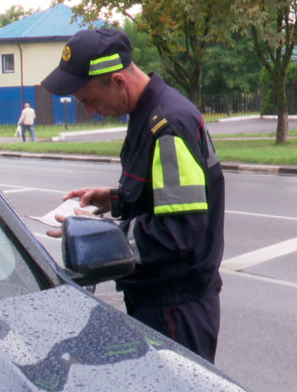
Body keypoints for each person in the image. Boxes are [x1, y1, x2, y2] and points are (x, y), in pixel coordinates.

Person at [42, 28, 225, 363]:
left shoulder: (167, 125)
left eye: (89, 100)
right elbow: (163, 197)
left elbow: (179, 234)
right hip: (161, 300)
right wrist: (112, 198)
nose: (89, 112)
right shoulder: (149, 114)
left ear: (118, 82)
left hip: (175, 311)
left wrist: (94, 237)